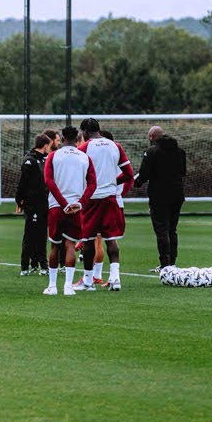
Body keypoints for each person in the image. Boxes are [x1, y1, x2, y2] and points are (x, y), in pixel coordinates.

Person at [75, 118, 134, 292]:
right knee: (110, 239)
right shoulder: (115, 146)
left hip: (92, 199)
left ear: (85, 132)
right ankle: (115, 279)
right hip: (110, 198)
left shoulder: (85, 148)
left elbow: (77, 172)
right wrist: (112, 182)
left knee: (88, 240)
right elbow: (129, 174)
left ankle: (88, 281)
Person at [43, 126, 95, 296]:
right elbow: (93, 184)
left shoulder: (53, 156)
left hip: (57, 206)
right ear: (78, 137)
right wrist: (80, 203)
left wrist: (62, 203)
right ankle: (68, 286)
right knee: (70, 245)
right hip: (75, 207)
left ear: (63, 137)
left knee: (55, 246)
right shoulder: (85, 157)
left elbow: (48, 181)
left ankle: (52, 286)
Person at [135, 125, 187, 271]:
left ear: (151, 137)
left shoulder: (151, 152)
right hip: (177, 194)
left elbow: (143, 174)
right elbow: (183, 172)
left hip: (159, 196)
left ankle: (165, 264)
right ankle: (172, 263)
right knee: (172, 229)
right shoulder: (180, 151)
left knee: (162, 230)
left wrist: (136, 183)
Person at [15, 134, 52, 276]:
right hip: (32, 204)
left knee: (42, 235)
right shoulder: (29, 161)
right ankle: (25, 267)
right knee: (30, 235)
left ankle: (42, 265)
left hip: (43, 203)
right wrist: (19, 200)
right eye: (49, 146)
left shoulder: (45, 159)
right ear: (45, 146)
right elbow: (22, 183)